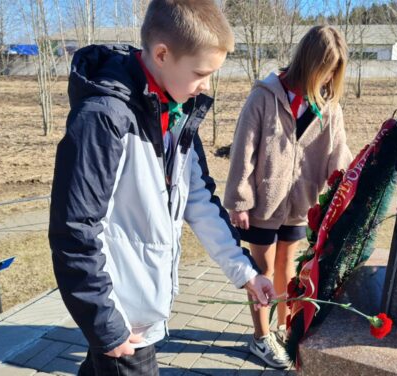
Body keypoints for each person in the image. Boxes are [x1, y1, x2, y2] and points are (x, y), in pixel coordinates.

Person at [48, 1, 276, 375]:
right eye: (201, 72)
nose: (207, 85)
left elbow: (200, 200)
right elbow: (74, 232)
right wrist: (106, 326)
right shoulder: (103, 120)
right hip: (123, 321)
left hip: (140, 311)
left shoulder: (179, 113)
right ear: (162, 54)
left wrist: (245, 272)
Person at [224, 25, 352, 369]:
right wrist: (239, 200)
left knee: (287, 267)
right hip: (261, 205)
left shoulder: (328, 107)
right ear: (309, 62)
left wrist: (346, 191)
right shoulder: (265, 95)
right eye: (326, 68)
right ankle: (260, 338)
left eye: (335, 71)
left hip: (300, 205)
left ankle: (281, 326)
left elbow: (338, 155)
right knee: (261, 270)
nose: (329, 77)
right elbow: (243, 149)